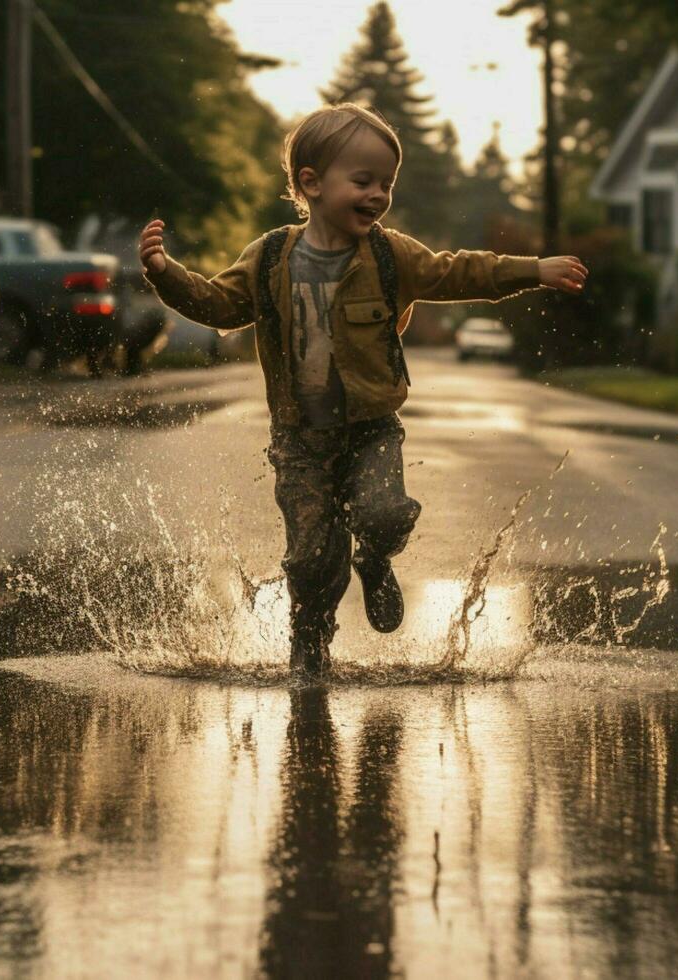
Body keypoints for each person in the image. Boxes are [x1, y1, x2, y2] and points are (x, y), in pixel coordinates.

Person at [137, 103, 587, 678]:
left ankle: (375, 560)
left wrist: (532, 269)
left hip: (371, 427)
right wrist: (164, 271)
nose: (378, 194)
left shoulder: (389, 255)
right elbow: (218, 304)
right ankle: (310, 650)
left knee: (384, 511)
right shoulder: (271, 256)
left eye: (387, 184)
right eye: (364, 181)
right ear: (311, 184)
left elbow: (457, 271)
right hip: (300, 440)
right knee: (310, 560)